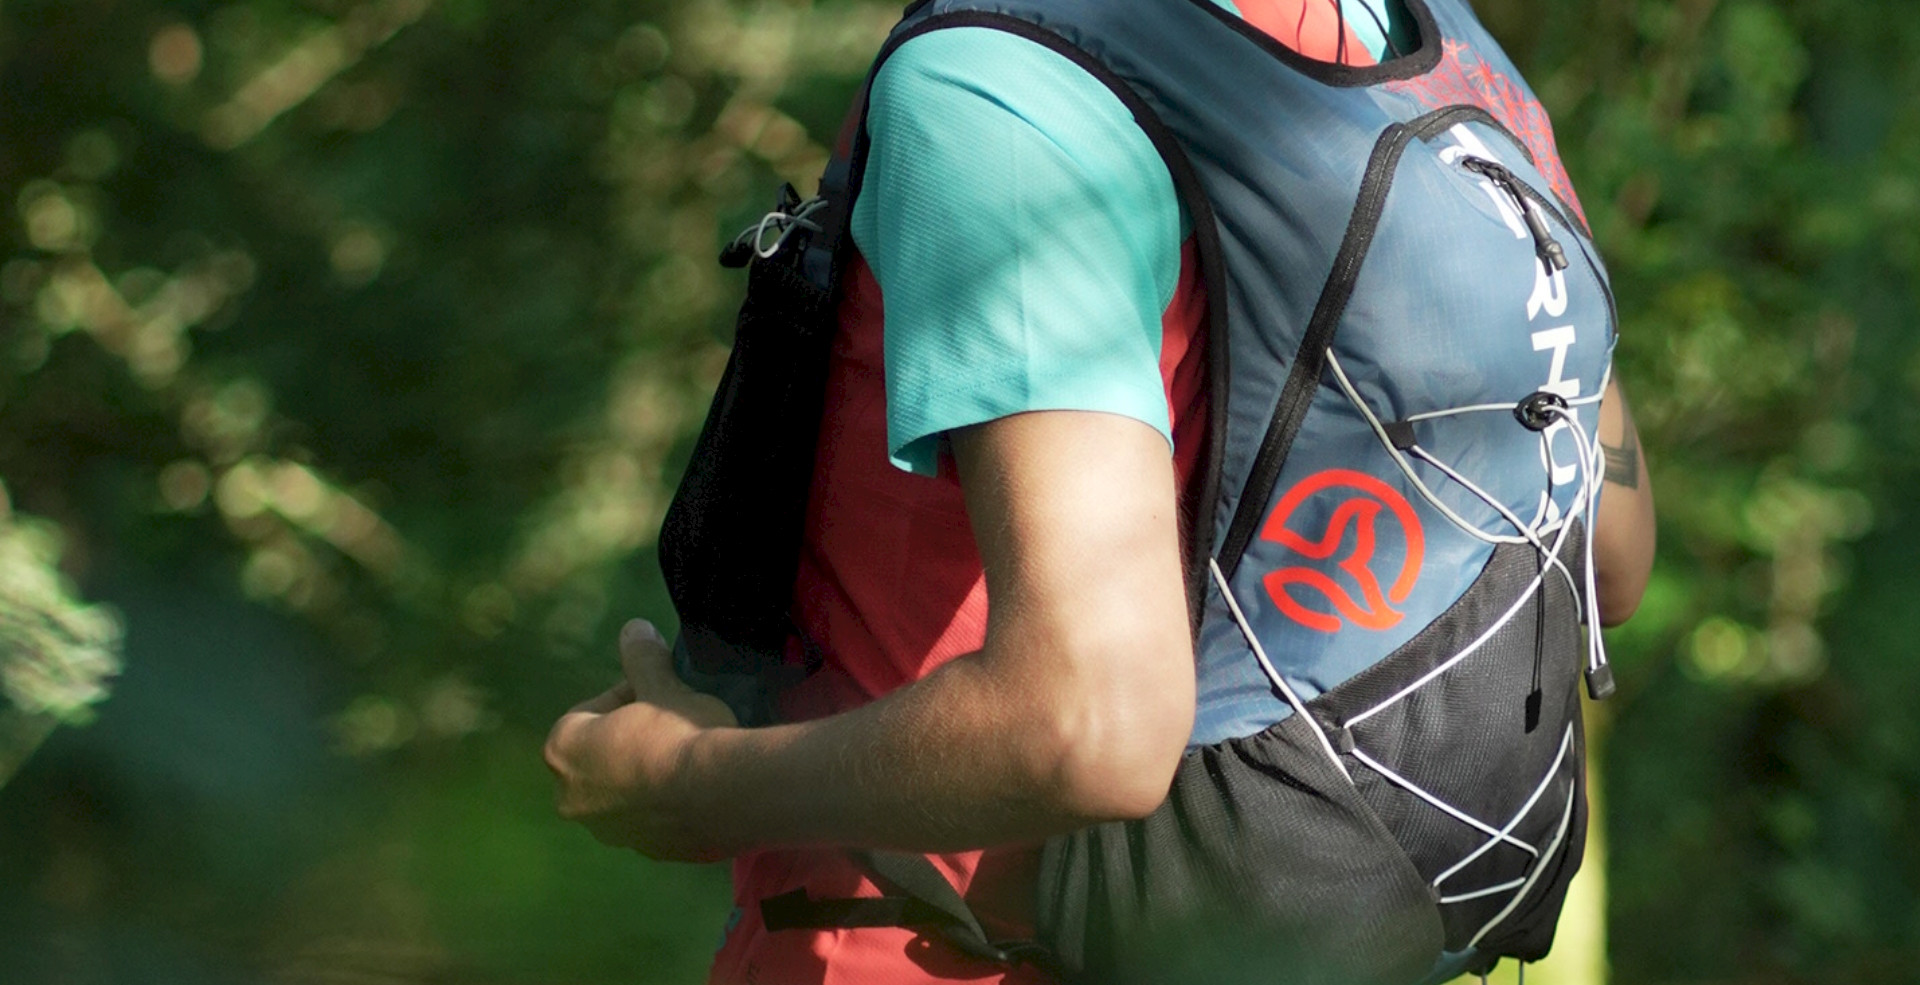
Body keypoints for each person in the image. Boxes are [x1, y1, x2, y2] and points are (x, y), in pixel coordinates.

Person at [544, 1, 1657, 982]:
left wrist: (692, 782)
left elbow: (1087, 725)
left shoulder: (1002, 81)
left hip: (920, 948)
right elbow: (1610, 561)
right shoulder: (1449, 60)